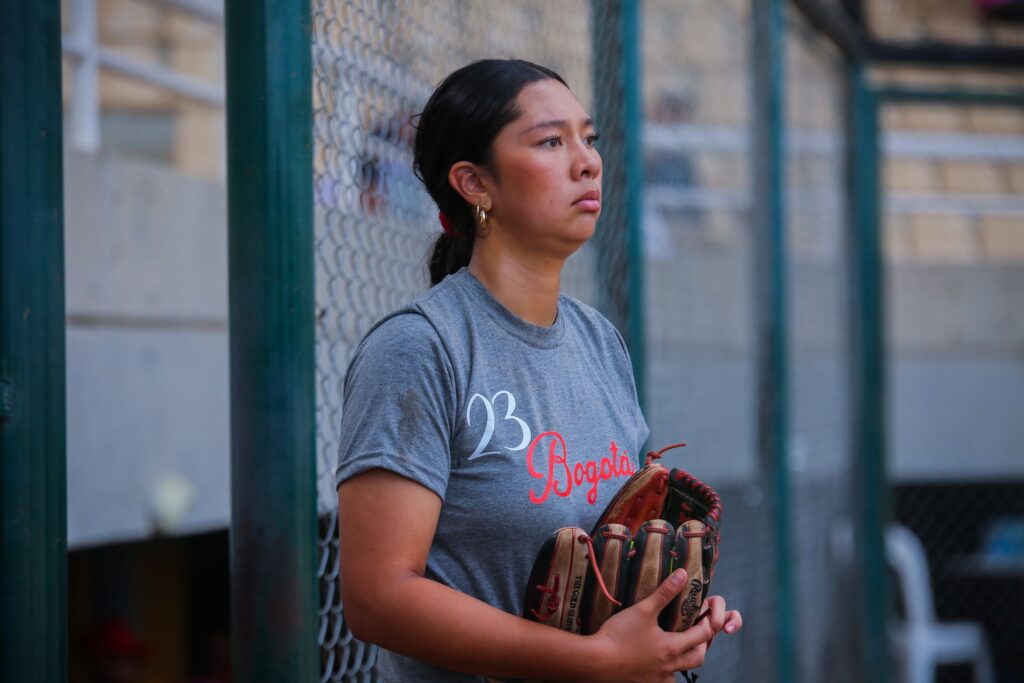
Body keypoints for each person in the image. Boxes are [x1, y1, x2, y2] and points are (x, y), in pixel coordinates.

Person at [335, 58, 742, 683]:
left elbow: (617, 549)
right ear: (474, 183)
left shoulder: (600, 342)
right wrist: (594, 662)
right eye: (551, 141)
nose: (587, 162)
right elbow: (377, 597)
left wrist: (667, 610)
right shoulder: (421, 349)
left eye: (589, 138)